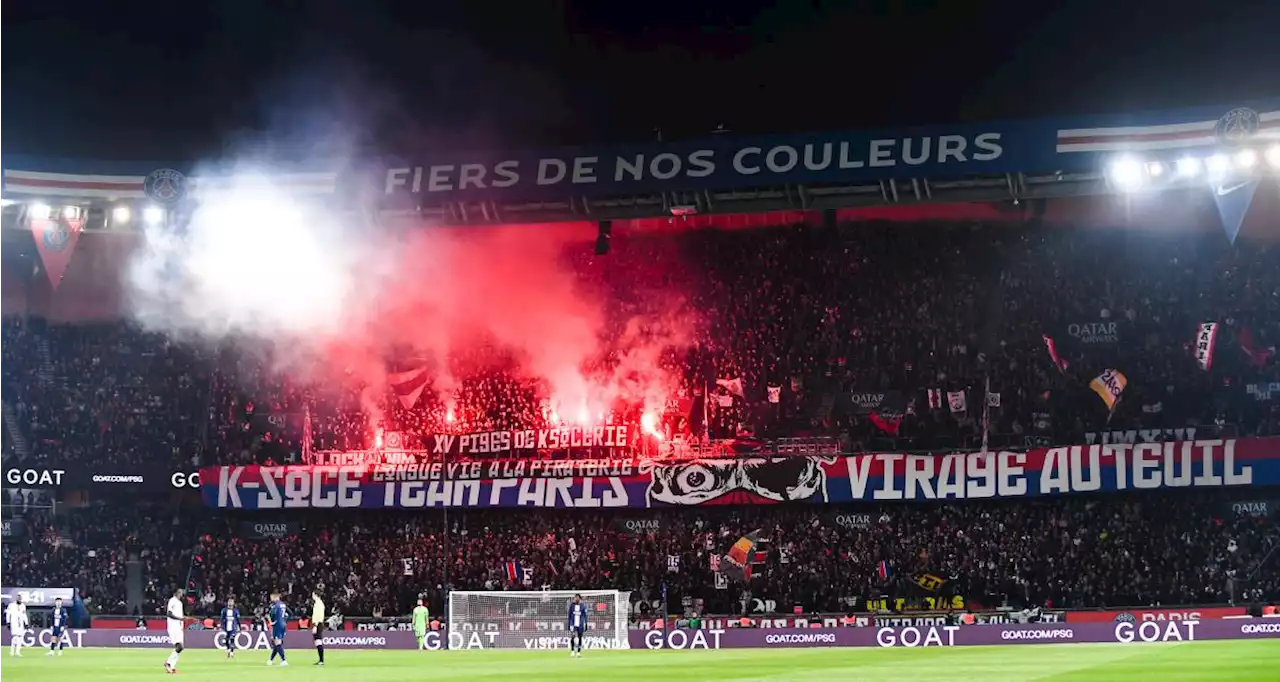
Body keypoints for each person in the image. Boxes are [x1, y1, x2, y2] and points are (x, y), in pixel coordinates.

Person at [164, 588, 191, 674]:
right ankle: (168, 663)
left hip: (179, 627)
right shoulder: (172, 601)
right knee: (179, 647)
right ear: (175, 592)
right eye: (180, 592)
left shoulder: (179, 603)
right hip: (173, 627)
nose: (181, 594)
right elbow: (169, 613)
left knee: (180, 647)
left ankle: (171, 666)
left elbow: (180, 616)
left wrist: (183, 620)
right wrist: (180, 618)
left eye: (182, 593)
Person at [266, 591, 288, 667]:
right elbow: (288, 614)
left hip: (277, 624)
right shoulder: (283, 605)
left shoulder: (275, 605)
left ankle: (284, 660)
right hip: (283, 624)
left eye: (272, 597)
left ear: (276, 597)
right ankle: (271, 660)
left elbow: (272, 614)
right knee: (277, 643)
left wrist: (271, 621)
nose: (271, 599)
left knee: (277, 642)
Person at [567, 594, 588, 658]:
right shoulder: (572, 605)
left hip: (580, 624)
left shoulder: (583, 606)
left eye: (577, 598)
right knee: (572, 636)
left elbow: (585, 615)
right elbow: (569, 615)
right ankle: (572, 651)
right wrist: (569, 624)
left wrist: (586, 623)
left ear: (580, 599)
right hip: (573, 623)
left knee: (580, 637)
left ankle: (579, 652)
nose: (576, 599)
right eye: (575, 598)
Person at [310, 589, 326, 666]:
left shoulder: (319, 604)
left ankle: (321, 660)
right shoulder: (318, 603)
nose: (312, 596)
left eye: (313, 594)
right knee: (317, 642)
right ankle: (320, 660)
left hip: (318, 624)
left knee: (318, 641)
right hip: (318, 624)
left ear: (316, 595)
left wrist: (315, 626)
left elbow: (318, 616)